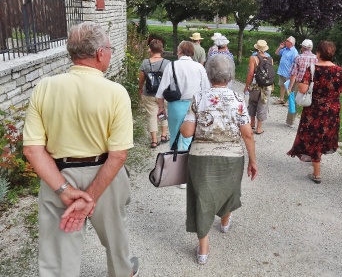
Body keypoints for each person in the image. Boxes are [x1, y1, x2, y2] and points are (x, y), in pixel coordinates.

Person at [22, 22, 139, 277]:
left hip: (58, 175)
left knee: (57, 252)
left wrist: (65, 191)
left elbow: (32, 150)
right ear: (100, 53)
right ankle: (122, 271)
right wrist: (91, 197)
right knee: (115, 235)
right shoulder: (116, 93)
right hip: (105, 175)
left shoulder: (44, 87)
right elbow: (118, 154)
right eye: (110, 48)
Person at [179, 54, 258, 265]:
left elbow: (186, 133)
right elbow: (248, 134)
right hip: (232, 156)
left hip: (201, 158)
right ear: (230, 75)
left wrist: (184, 122)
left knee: (202, 198)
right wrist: (253, 160)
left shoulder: (199, 98)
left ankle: (203, 250)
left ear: (208, 74)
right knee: (230, 189)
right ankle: (224, 222)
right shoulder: (238, 99)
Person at [287, 41, 342, 183]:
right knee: (324, 135)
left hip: (314, 110)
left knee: (314, 136)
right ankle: (316, 159)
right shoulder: (340, 70)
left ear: (318, 53)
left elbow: (302, 90)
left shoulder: (311, 69)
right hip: (332, 110)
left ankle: (316, 174)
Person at [156, 40, 210, 151]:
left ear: (179, 51)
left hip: (176, 106)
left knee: (175, 136)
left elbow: (161, 91)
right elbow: (206, 90)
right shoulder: (199, 67)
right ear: (192, 52)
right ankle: (189, 161)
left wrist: (161, 108)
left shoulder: (171, 66)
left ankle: (175, 162)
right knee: (190, 137)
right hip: (195, 107)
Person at [138, 38, 169, 148]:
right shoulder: (167, 63)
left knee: (152, 115)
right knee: (163, 113)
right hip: (163, 94)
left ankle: (154, 141)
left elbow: (141, 78)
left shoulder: (145, 63)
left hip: (149, 94)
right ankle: (164, 135)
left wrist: (140, 88)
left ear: (150, 49)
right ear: (162, 50)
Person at [285, 39, 318, 127]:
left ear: (302, 48)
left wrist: (290, 87)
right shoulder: (316, 58)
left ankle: (290, 122)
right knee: (309, 102)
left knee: (293, 101)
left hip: (299, 83)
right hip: (311, 84)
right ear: (311, 48)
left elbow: (293, 74)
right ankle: (307, 123)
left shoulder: (299, 57)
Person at [243, 40, 274, 135]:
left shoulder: (253, 58)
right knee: (263, 105)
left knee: (252, 103)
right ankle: (259, 128)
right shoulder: (270, 59)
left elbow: (251, 74)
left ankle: (251, 123)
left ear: (256, 48)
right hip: (267, 87)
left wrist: (247, 86)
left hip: (255, 86)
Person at [274, 36, 298, 105]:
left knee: (289, 87)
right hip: (282, 71)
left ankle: (289, 101)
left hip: (288, 73)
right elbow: (277, 53)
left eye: (287, 41)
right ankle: (281, 99)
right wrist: (280, 47)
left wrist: (292, 74)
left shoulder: (294, 52)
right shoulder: (285, 49)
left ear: (291, 43)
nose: (285, 42)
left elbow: (295, 63)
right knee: (282, 85)